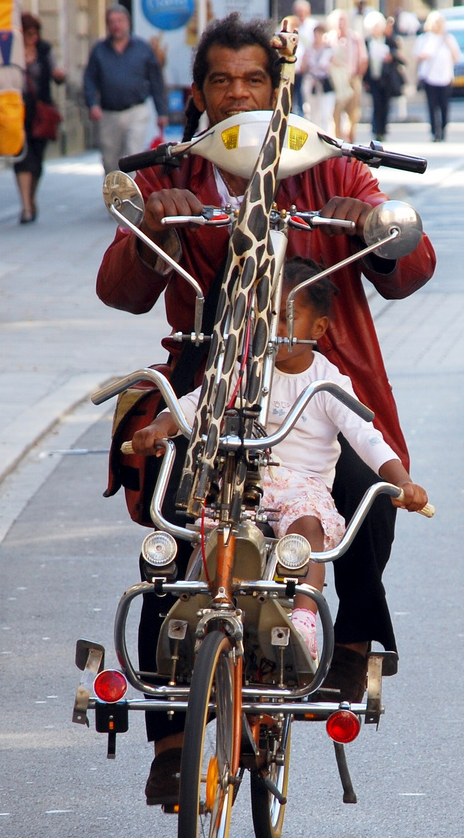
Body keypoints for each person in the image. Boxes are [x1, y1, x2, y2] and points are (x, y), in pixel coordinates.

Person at [95, 12, 437, 805]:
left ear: (277, 87)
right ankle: (172, 738)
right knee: (174, 540)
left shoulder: (329, 167)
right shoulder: (172, 173)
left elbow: (409, 265)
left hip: (311, 389)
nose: (238, 93)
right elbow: (119, 290)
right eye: (222, 80)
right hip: (205, 387)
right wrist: (154, 223)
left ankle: (349, 641)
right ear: (200, 93)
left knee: (366, 499)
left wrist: (371, 225)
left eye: (253, 78)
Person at [132, 259, 429, 667]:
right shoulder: (240, 371)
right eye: (264, 317)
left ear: (318, 329)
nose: (273, 329)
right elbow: (195, 405)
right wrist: (161, 426)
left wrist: (401, 480)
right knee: (203, 530)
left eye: (287, 318)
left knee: (309, 528)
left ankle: (304, 619)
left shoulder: (327, 383)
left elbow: (365, 436)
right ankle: (196, 609)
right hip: (242, 481)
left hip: (301, 488)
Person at [84, 5, 169, 174]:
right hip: (109, 114)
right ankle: (115, 196)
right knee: (110, 161)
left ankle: (133, 197)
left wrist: (162, 112)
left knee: (134, 156)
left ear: (127, 23)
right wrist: (92, 103)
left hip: (135, 111)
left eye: (119, 21)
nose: (116, 25)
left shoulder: (143, 48)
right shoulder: (99, 51)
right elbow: (89, 80)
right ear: (107, 25)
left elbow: (156, 81)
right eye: (112, 22)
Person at [14, 12, 66, 224]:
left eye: (35, 33)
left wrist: (59, 75)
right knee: (22, 159)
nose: (33, 38)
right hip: (18, 112)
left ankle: (31, 197)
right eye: (28, 34)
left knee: (37, 162)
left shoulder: (44, 50)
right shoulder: (11, 52)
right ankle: (26, 206)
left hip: (41, 113)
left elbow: (55, 74)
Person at [415, 11, 461, 143]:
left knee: (444, 105)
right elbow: (418, 56)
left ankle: (443, 128)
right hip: (430, 77)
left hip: (445, 77)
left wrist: (448, 45)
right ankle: (435, 132)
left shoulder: (448, 38)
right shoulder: (424, 38)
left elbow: (456, 57)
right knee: (432, 106)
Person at [326, 8, 368, 142]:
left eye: (343, 20)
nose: (341, 23)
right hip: (336, 81)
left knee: (353, 112)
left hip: (352, 78)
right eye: (338, 21)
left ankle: (350, 138)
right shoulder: (328, 38)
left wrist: (357, 76)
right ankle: (337, 140)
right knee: (335, 112)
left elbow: (364, 59)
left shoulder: (355, 38)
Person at [364, 11, 404, 140]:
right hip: (373, 78)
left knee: (385, 104)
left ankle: (383, 128)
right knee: (376, 104)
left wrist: (391, 57)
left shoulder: (389, 41)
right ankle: (376, 129)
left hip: (386, 78)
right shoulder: (367, 42)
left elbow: (399, 57)